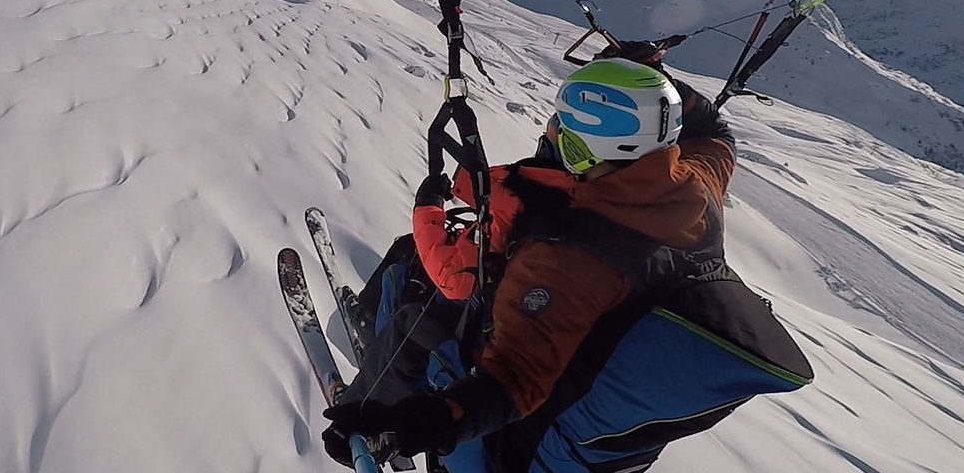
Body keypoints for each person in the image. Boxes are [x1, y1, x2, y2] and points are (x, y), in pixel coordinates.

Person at [325, 57, 814, 473]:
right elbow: (714, 130)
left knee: (423, 314)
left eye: (568, 122)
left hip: (518, 434)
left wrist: (417, 424)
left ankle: (363, 408)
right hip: (596, 395)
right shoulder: (695, 183)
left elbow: (512, 382)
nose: (554, 130)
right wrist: (647, 77)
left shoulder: (567, 256)